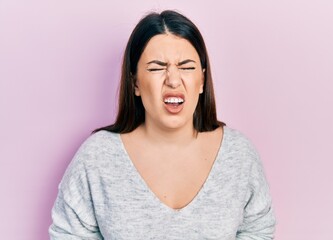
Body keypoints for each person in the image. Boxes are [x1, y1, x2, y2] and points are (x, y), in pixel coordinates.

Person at [49, 10, 276, 240]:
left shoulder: (239, 155)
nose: (174, 80)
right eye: (157, 68)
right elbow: (69, 234)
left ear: (202, 81)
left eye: (187, 67)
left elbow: (258, 230)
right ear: (135, 83)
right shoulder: (97, 158)